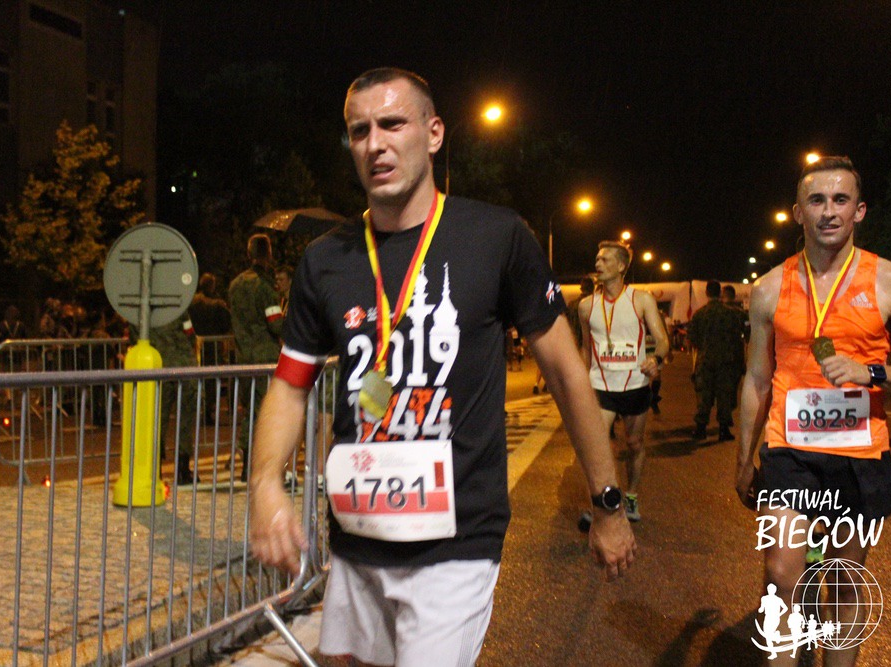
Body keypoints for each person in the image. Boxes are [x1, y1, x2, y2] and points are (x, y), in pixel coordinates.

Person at [248, 67, 635, 666]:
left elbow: (564, 374)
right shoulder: (325, 260)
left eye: (392, 124)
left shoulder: (497, 236)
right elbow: (291, 385)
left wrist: (607, 502)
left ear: (433, 134)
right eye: (359, 131)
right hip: (358, 536)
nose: (375, 144)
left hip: (457, 540)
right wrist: (264, 484)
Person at [737, 156, 891, 667]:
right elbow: (756, 378)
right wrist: (744, 459)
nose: (829, 211)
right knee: (781, 574)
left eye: (841, 199)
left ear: (859, 211)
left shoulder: (888, 281)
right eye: (817, 200)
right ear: (798, 212)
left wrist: (871, 372)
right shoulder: (769, 287)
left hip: (860, 453)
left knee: (845, 582)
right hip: (790, 450)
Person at [579, 240, 669, 522]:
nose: (597, 264)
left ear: (621, 266)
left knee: (634, 443)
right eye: (597, 259)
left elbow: (662, 340)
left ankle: (631, 497)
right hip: (601, 385)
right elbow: (586, 348)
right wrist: (581, 382)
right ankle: (601, 502)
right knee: (596, 446)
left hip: (635, 385)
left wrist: (656, 359)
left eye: (604, 260)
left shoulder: (641, 300)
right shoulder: (586, 306)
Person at [228, 233, 284, 480]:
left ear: (249, 253)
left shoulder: (235, 285)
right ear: (268, 254)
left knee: (249, 410)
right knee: (266, 411)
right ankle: (262, 465)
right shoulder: (265, 287)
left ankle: (246, 464)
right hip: (266, 357)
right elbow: (275, 324)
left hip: (243, 357)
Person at [130, 311, 198, 487]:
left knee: (156, 421)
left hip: (157, 368)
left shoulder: (139, 311)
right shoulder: (177, 305)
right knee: (185, 420)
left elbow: (135, 339)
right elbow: (190, 334)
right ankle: (182, 470)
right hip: (184, 367)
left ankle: (155, 470)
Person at [687, 280, 746, 441]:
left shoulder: (699, 314)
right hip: (727, 361)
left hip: (705, 361)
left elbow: (692, 340)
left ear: (707, 293)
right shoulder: (733, 314)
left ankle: (701, 429)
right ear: (720, 293)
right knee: (724, 396)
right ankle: (723, 430)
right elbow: (741, 337)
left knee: (704, 396)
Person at [536, 275, 594, 394]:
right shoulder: (594, 303)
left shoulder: (572, 304)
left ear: (581, 288)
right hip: (589, 341)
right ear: (592, 289)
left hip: (574, 340)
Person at [190, 272, 232, 424]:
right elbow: (227, 323)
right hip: (212, 346)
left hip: (195, 346)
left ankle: (197, 409)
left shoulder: (192, 302)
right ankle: (209, 410)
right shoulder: (218, 304)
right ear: (212, 286)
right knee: (211, 380)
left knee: (196, 379)